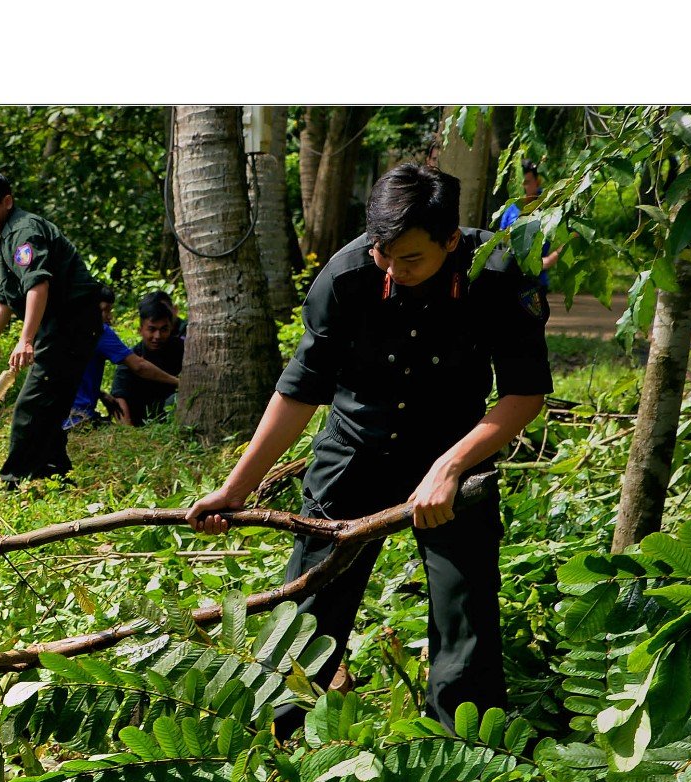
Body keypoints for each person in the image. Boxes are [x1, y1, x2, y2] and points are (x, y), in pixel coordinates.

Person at [187, 162, 551, 725]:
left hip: (456, 452)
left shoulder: (497, 273)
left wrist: (450, 466)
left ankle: (468, 751)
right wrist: (236, 488)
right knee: (309, 604)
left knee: (465, 607)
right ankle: (277, 736)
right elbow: (299, 393)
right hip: (354, 448)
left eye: (412, 259)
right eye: (384, 254)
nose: (394, 269)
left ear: (451, 240)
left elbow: (525, 394)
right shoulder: (346, 277)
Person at [0, 170, 107, 484]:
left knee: (32, 404)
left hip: (72, 324)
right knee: (47, 403)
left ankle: (14, 481)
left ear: (7, 202)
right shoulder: (7, 237)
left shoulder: (22, 231)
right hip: (62, 326)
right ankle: (53, 476)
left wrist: (25, 340)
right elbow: (5, 301)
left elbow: (38, 283)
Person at [65, 285, 136, 430]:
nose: (108, 316)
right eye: (104, 310)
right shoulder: (99, 331)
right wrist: (176, 382)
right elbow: (139, 366)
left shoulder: (65, 328)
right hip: (77, 419)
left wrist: (100, 394)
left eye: (109, 310)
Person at [112, 290, 186, 426]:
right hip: (144, 424)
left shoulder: (183, 349)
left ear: (171, 328)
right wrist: (129, 433)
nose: (157, 336)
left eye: (164, 330)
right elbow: (119, 396)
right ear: (140, 330)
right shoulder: (133, 357)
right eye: (152, 329)